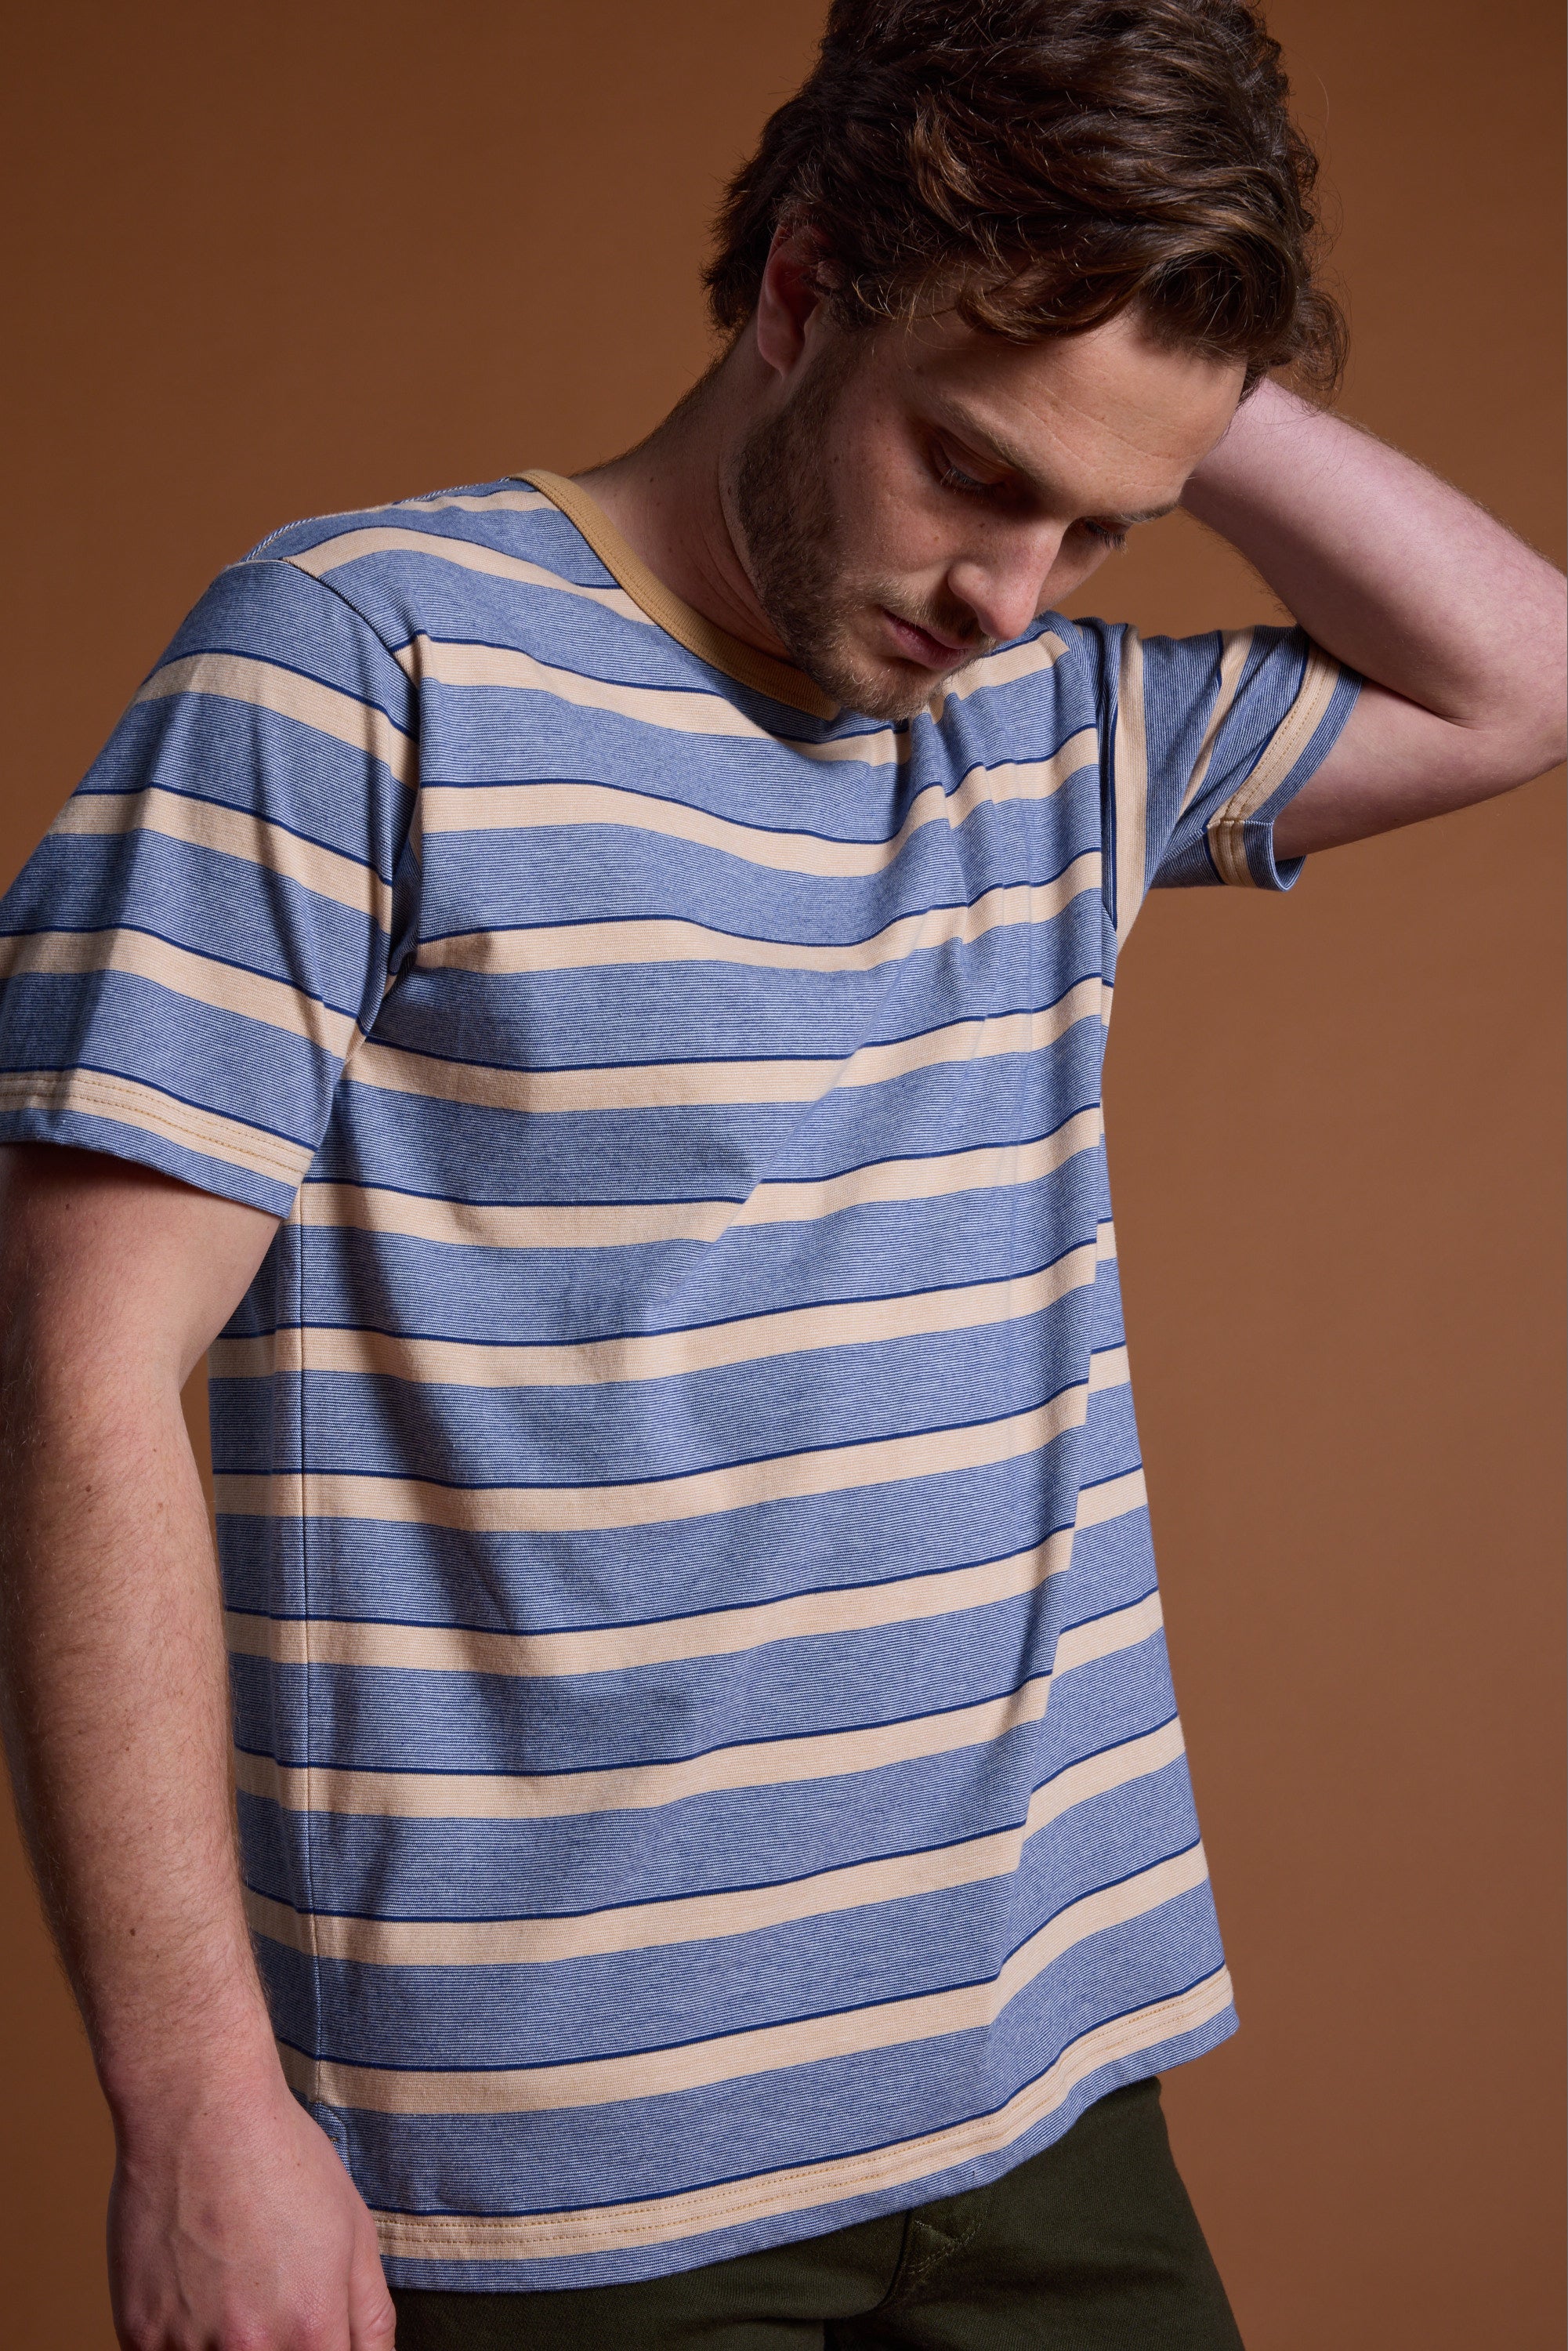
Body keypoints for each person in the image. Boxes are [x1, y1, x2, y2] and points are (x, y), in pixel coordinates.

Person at [0, 0, 1561, 2344]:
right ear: (801, 292)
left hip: (1041, 2088)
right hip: (546, 2179)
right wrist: (197, 2096)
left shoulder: (1055, 735)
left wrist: (1163, 341)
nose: (1009, 593)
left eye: (1095, 519)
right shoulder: (354, 663)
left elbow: (1517, 680)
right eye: (969, 463)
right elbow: (77, 1379)